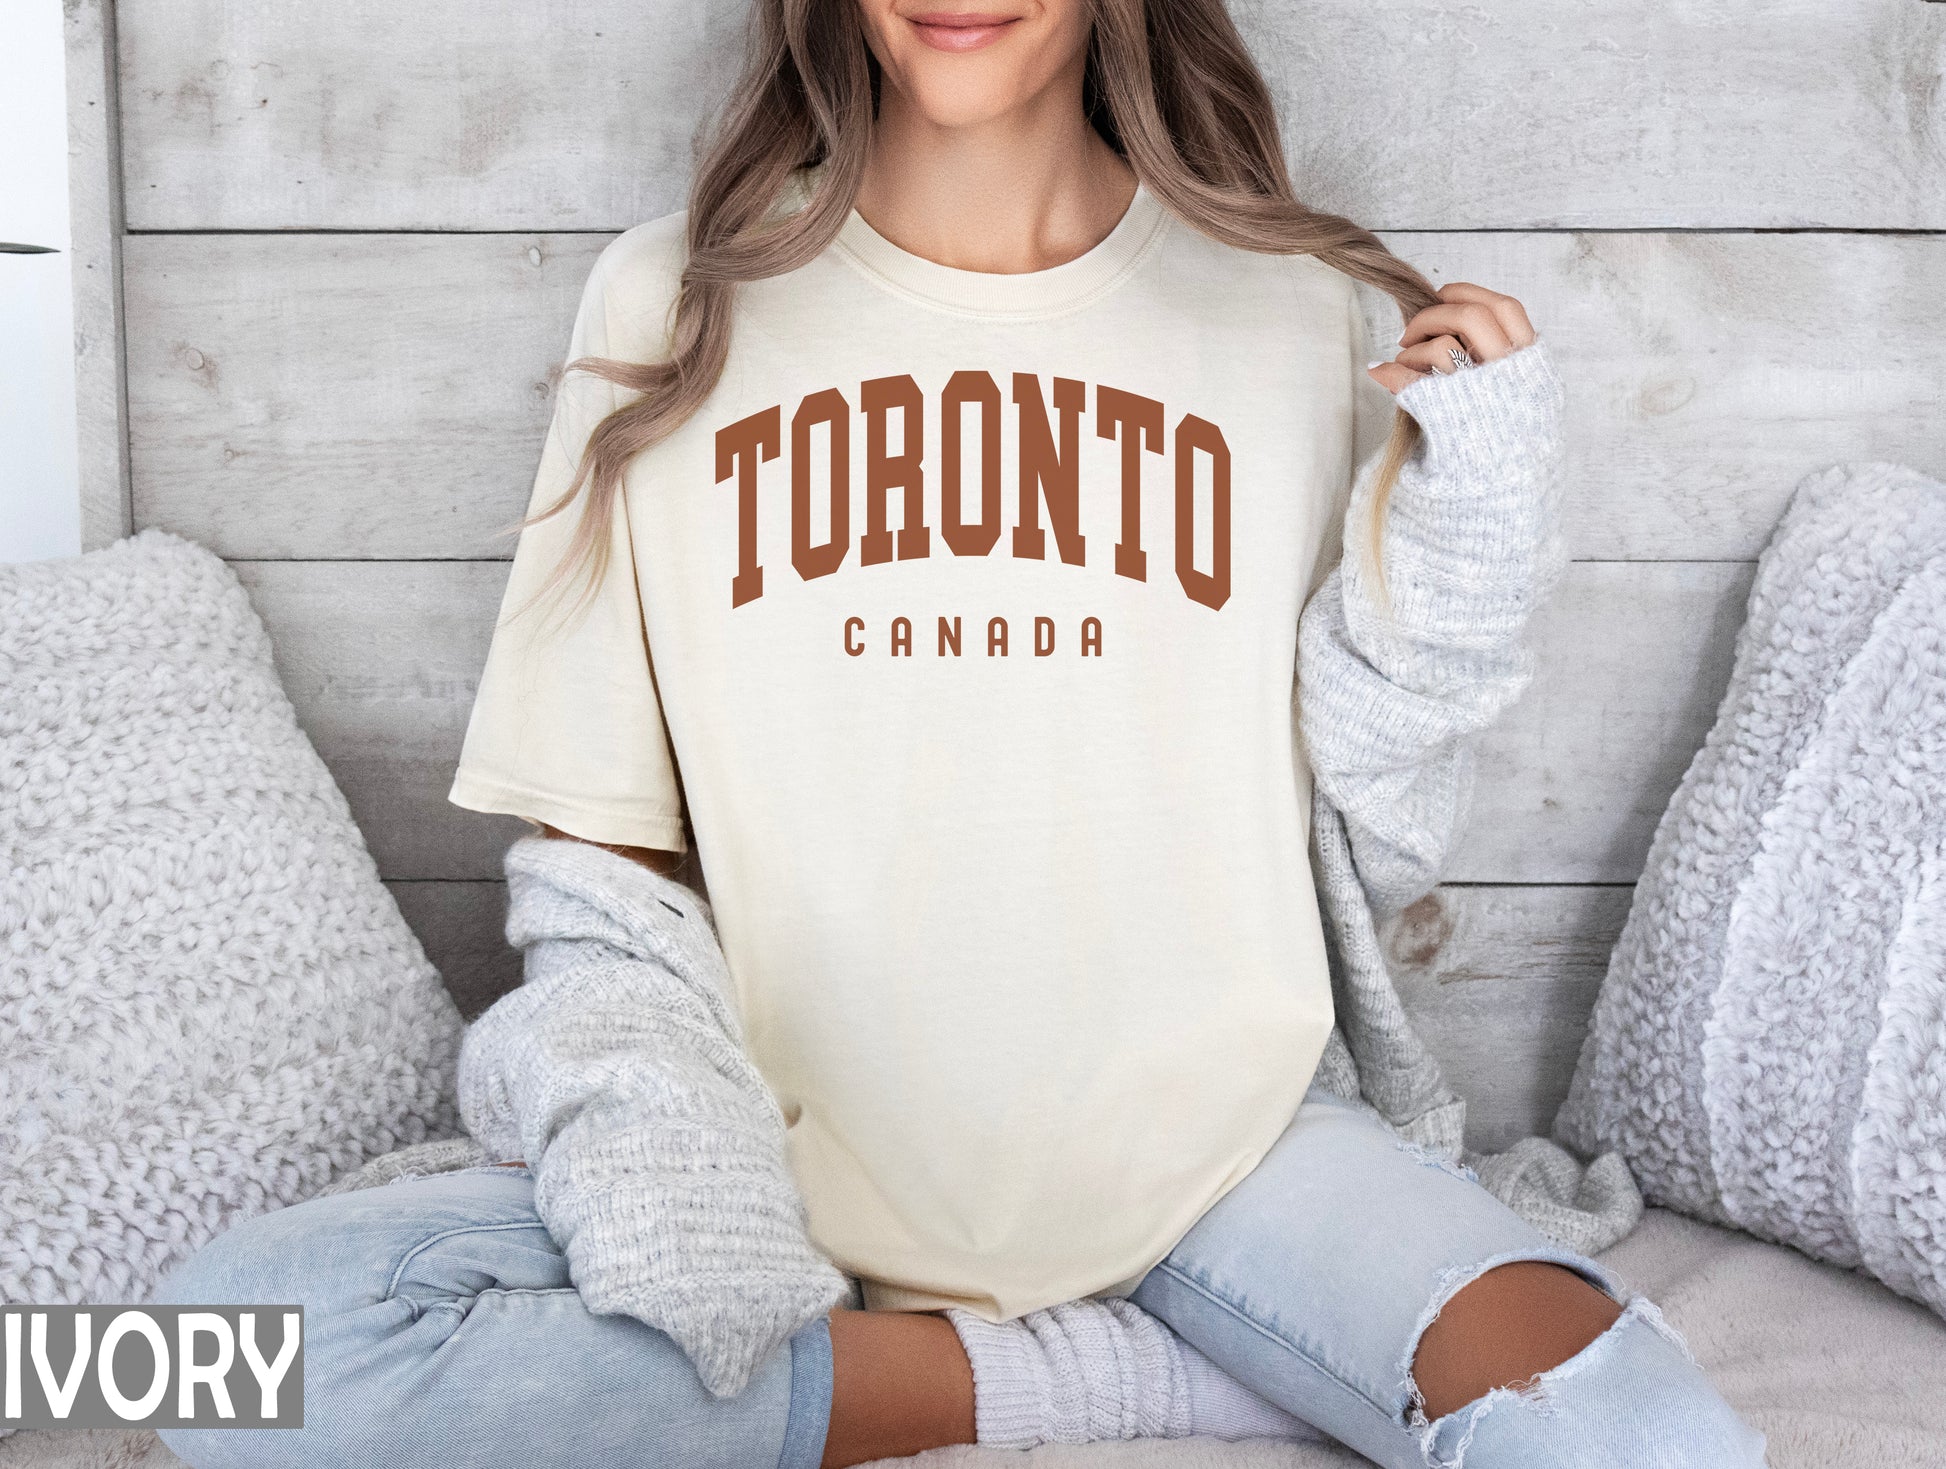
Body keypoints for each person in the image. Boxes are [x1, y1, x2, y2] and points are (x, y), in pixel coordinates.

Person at [155, 2, 1770, 1466]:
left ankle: (1097, 1343)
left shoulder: (1303, 309)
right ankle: (1108, 1372)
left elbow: (1375, 797)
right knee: (172, 1366)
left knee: (1645, 1439)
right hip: (777, 1166)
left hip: (1224, 1163)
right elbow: (598, 849)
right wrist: (661, 1167)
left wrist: (1474, 549)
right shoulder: (673, 301)